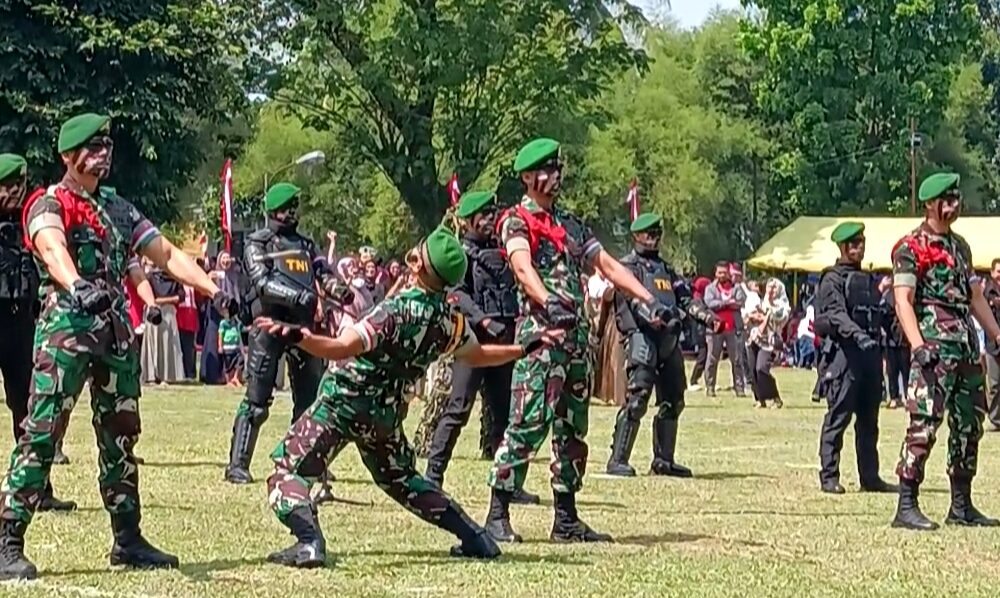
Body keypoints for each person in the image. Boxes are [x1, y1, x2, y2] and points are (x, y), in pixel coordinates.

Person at [0, 113, 236, 579]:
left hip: (113, 334)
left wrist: (213, 289)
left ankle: (127, 538)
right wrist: (74, 284)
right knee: (42, 432)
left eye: (107, 144)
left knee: (122, 436)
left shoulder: (118, 207)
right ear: (69, 156)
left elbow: (164, 253)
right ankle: (8, 540)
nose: (104, 152)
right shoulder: (50, 201)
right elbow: (51, 247)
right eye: (93, 146)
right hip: (67, 329)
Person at [259, 228, 563, 568]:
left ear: (416, 262)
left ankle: (309, 542)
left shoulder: (394, 311)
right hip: (385, 416)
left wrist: (299, 336)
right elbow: (477, 355)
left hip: (342, 403)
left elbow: (342, 347)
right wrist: (521, 349)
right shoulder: (449, 321)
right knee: (404, 481)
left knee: (286, 471)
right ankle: (476, 537)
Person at [484, 138, 669, 544]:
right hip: (543, 338)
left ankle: (566, 519)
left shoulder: (570, 224)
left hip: (576, 341)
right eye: (547, 171)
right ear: (529, 177)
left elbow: (607, 265)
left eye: (558, 170)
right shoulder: (516, 221)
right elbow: (521, 265)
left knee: (572, 430)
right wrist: (548, 301)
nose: (555, 178)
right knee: (527, 424)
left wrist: (649, 299)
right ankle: (496, 514)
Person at [891, 172, 1000, 530]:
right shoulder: (911, 247)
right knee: (924, 424)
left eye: (956, 199)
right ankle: (906, 505)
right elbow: (903, 300)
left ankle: (961, 505)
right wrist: (918, 346)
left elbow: (975, 297)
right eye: (946, 201)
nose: (953, 206)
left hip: (966, 347)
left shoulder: (960, 247)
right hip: (934, 349)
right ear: (930, 204)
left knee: (969, 427)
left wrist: (996, 335)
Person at [224, 183, 350, 486]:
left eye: (296, 206)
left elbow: (323, 272)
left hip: (303, 330)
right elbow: (262, 283)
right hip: (268, 325)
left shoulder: (306, 245)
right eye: (288, 206)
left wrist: (338, 290)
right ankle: (238, 464)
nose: (293, 212)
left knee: (308, 402)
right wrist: (299, 297)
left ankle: (304, 461)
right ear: (275, 209)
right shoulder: (258, 243)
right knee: (256, 401)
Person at [422, 191, 540, 503]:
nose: (489, 220)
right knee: (458, 409)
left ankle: (507, 483)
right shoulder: (460, 255)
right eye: (483, 216)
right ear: (468, 220)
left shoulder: (501, 253)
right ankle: (432, 478)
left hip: (504, 339)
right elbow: (457, 295)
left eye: (492, 214)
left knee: (504, 413)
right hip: (473, 341)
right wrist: (484, 321)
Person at [605, 213, 719, 477]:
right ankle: (618, 459)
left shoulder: (666, 269)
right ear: (636, 236)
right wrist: (654, 316)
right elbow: (632, 301)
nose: (654, 239)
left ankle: (663, 460)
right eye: (649, 234)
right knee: (638, 399)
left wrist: (707, 317)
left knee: (673, 400)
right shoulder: (627, 268)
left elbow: (685, 298)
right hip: (642, 337)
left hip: (669, 340)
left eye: (657, 234)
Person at [0, 153, 76, 513]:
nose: (17, 193)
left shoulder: (32, 222)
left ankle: (38, 490)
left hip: (21, 326)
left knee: (29, 411)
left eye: (21, 185)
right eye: (10, 186)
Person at [814, 222, 894, 495]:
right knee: (839, 416)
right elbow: (835, 314)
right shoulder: (832, 279)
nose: (859, 247)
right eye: (854, 243)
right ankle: (829, 476)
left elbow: (876, 311)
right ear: (843, 247)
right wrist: (858, 335)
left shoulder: (867, 279)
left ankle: (870, 477)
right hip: (845, 357)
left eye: (862, 242)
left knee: (869, 420)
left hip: (870, 356)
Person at [703, 262, 747, 397]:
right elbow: (710, 303)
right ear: (715, 273)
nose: (722, 275)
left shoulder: (737, 287)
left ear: (729, 273)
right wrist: (727, 303)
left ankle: (739, 388)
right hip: (715, 328)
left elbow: (740, 302)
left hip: (733, 328)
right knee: (712, 359)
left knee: (737, 360)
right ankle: (710, 387)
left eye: (725, 272)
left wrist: (724, 304)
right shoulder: (710, 288)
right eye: (719, 272)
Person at [747, 278, 789, 409]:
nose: (771, 290)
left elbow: (778, 316)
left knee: (762, 369)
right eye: (769, 287)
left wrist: (767, 308)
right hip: (754, 337)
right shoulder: (761, 301)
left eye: (774, 287)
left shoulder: (784, 306)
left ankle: (775, 397)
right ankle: (760, 399)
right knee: (752, 369)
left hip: (770, 341)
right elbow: (751, 316)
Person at [879, 276, 908, 409]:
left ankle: (906, 396)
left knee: (906, 370)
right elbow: (882, 315)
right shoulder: (888, 296)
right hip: (890, 339)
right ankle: (894, 397)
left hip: (905, 339)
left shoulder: (906, 294)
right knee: (892, 371)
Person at [688, 276, 712, 390]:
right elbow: (698, 313)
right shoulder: (696, 300)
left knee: (706, 355)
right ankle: (693, 380)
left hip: (703, 330)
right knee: (703, 355)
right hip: (699, 330)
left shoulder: (702, 298)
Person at [220, 310, 244, 387]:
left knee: (240, 361)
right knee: (228, 366)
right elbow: (220, 335)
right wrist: (220, 346)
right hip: (227, 347)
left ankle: (235, 378)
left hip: (236, 347)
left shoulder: (237, 322)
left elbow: (243, 328)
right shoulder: (223, 323)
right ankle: (228, 381)